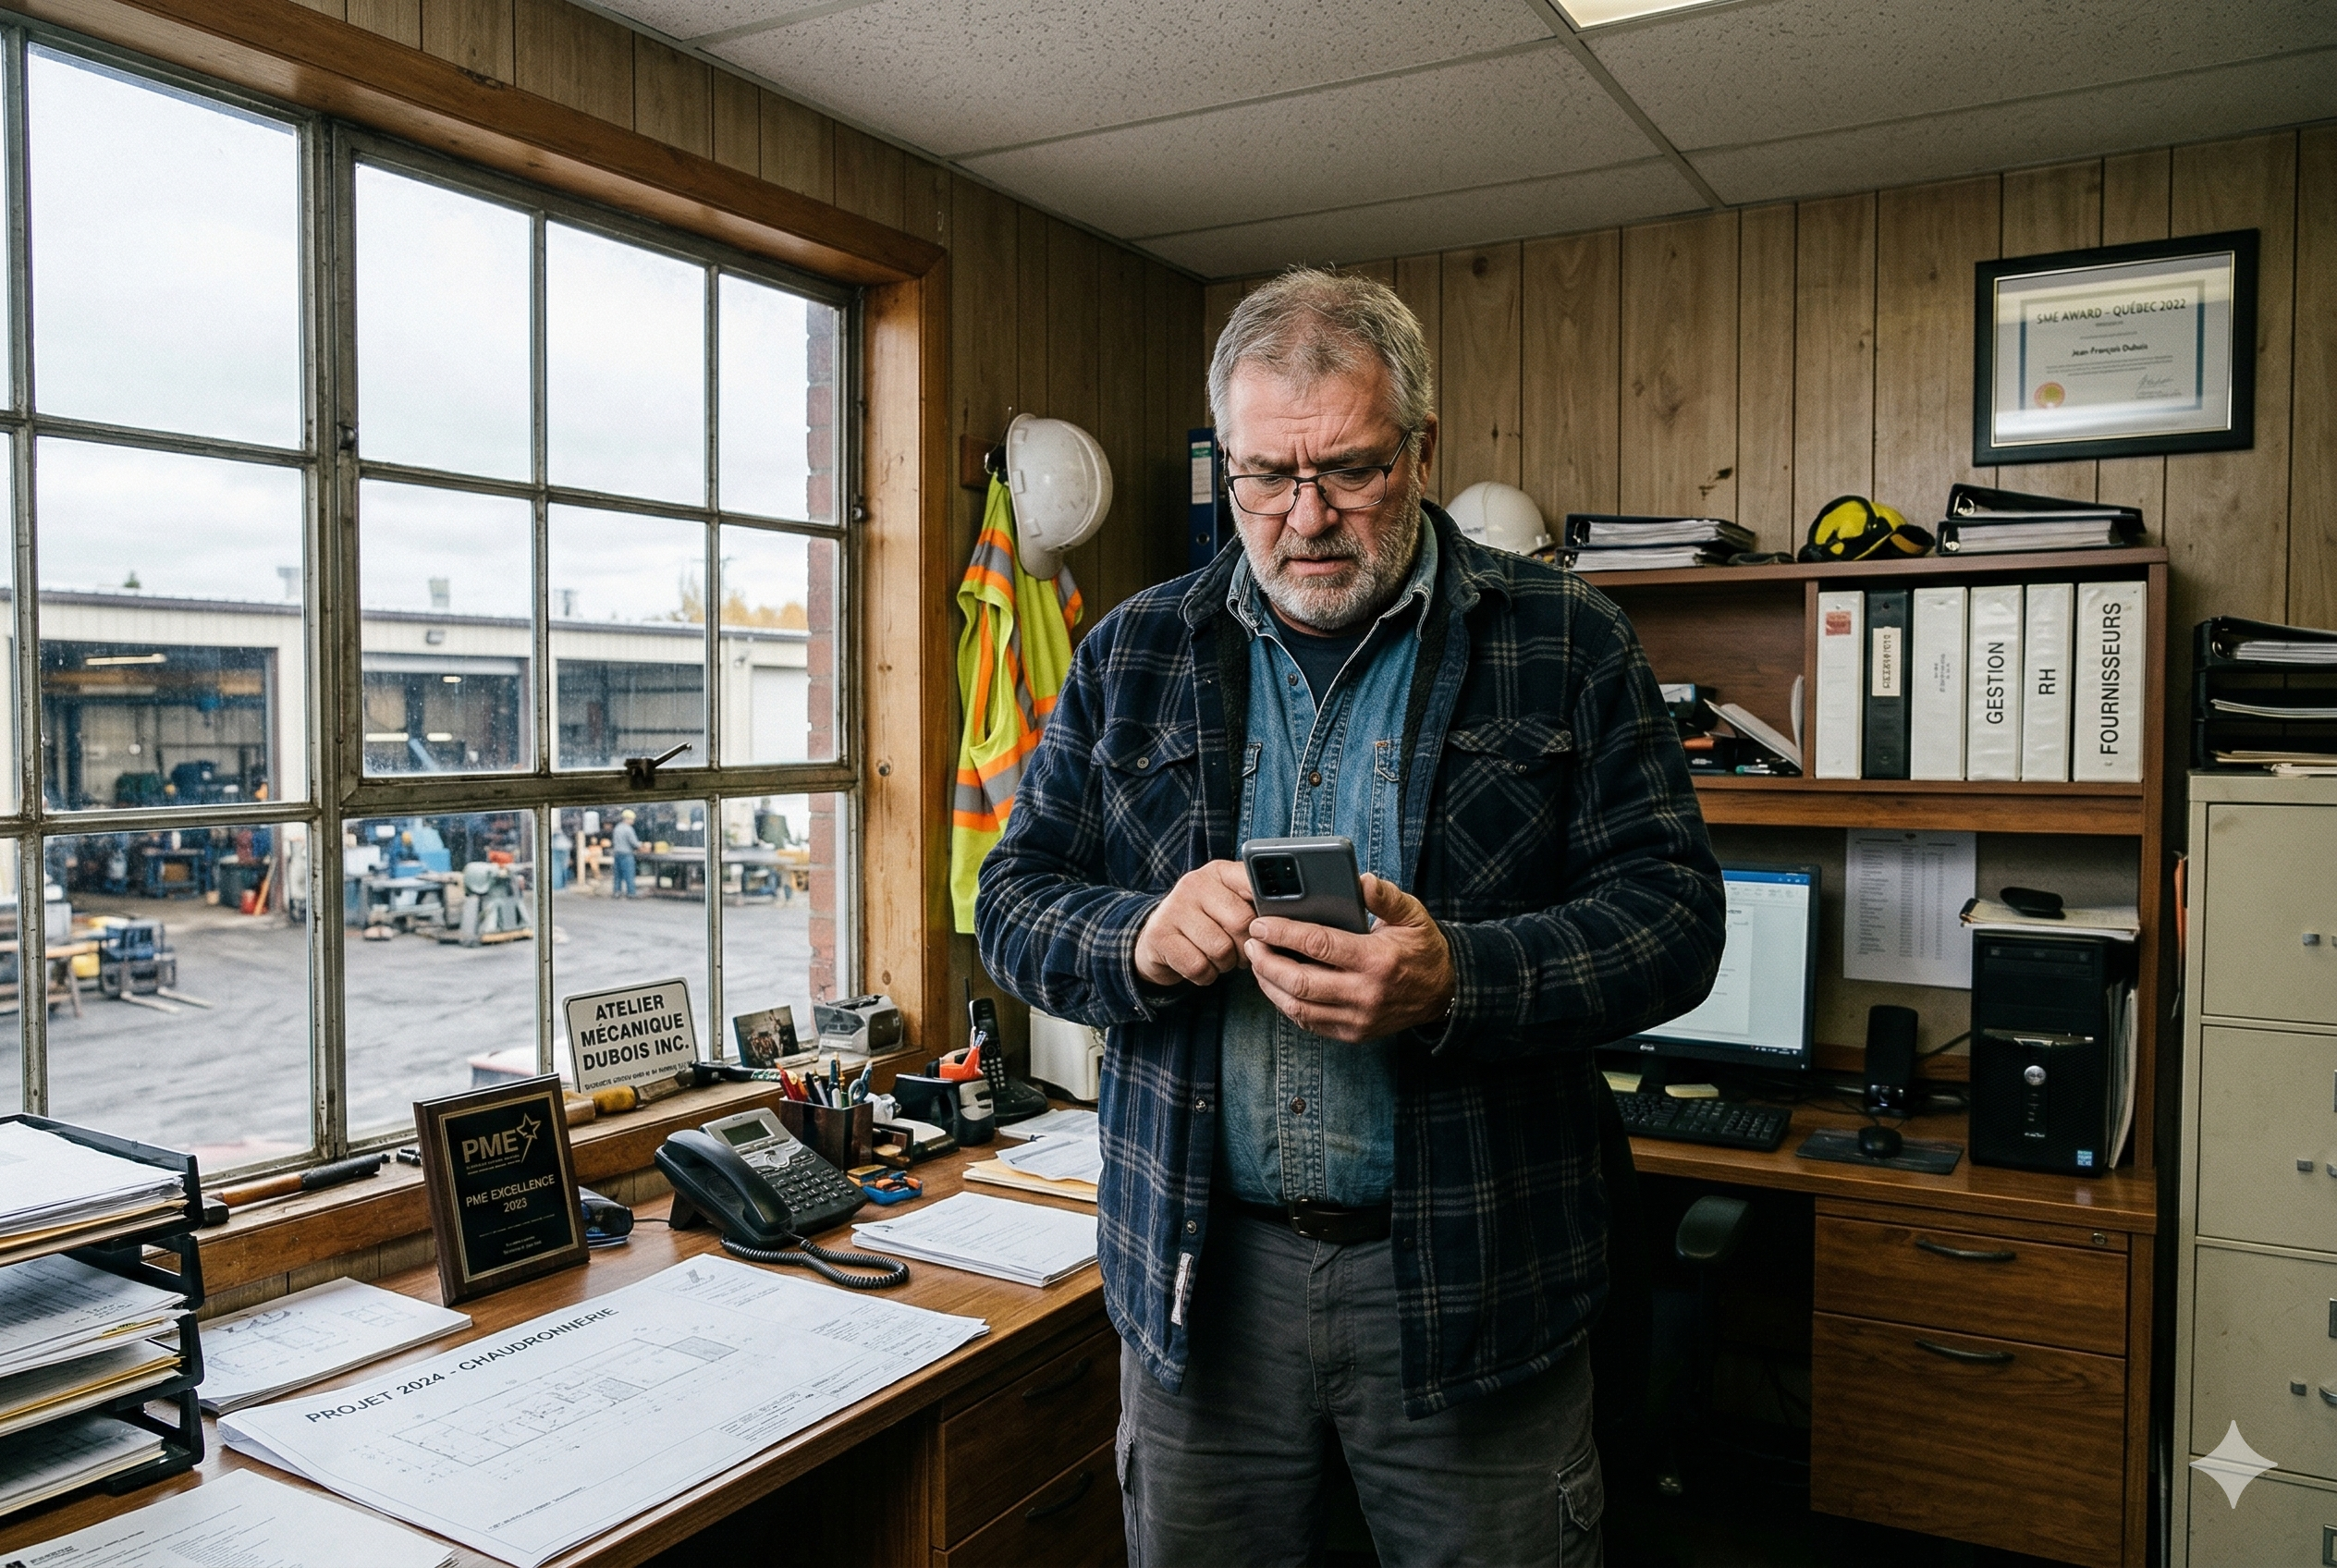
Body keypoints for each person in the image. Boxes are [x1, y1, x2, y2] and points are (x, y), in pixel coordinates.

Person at [976, 268, 1725, 1567]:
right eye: (1265, 477)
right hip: (1203, 1290)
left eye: (1353, 473)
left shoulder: (1570, 641)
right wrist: (1140, 939)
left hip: (1475, 1281)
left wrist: (1461, 978)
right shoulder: (1130, 653)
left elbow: (1674, 921)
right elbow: (1014, 903)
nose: (1304, 519)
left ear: (1423, 450)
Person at [610, 809, 640, 900]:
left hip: (617, 853)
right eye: (632, 819)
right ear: (627, 819)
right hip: (627, 854)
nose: (633, 821)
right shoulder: (629, 829)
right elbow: (634, 843)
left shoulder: (617, 828)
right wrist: (642, 845)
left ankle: (617, 892)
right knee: (629, 874)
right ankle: (631, 893)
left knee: (617, 875)